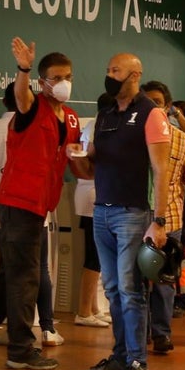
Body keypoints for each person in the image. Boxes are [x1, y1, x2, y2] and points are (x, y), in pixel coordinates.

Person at [0, 39, 81, 370]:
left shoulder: (70, 118)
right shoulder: (30, 107)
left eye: (67, 75)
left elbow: (72, 159)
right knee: (25, 279)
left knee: (12, 273)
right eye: (55, 77)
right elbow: (22, 96)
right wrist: (23, 68)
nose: (62, 82)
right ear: (42, 82)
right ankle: (21, 349)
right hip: (18, 203)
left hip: (41, 205)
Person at [73, 53, 172, 370]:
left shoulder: (150, 113)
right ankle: (119, 356)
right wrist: (80, 158)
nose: (109, 75)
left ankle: (136, 362)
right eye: (107, 69)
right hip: (101, 211)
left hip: (132, 213)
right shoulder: (104, 115)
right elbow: (91, 169)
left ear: (135, 75)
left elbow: (162, 170)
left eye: (115, 70)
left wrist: (159, 220)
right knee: (113, 289)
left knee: (131, 291)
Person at [141, 80, 185, 354]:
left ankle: (161, 334)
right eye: (147, 102)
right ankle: (138, 334)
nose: (152, 108)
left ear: (168, 107)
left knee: (163, 282)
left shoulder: (181, 140)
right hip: (134, 221)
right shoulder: (133, 136)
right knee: (134, 282)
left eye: (157, 103)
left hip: (168, 223)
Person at [73, 117, 109, 328]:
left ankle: (94, 308)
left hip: (92, 194)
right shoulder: (98, 127)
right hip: (93, 195)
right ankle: (84, 311)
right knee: (93, 257)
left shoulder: (93, 126)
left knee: (97, 257)